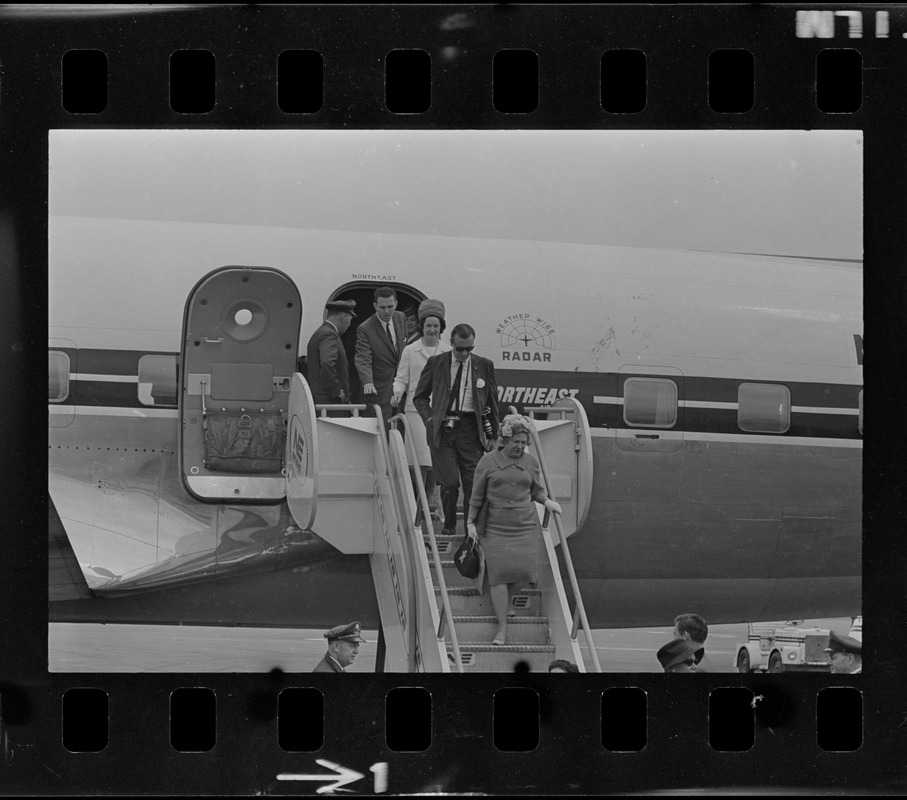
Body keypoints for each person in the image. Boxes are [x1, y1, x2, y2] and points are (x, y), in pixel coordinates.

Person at [465, 414, 562, 645]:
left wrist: (547, 501)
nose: (520, 446)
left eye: (523, 442)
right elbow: (476, 496)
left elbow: (537, 490)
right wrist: (470, 523)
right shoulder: (487, 461)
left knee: (527, 573)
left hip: (524, 524)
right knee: (498, 577)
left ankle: (507, 604)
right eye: (516, 441)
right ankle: (502, 629)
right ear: (505, 439)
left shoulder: (530, 463)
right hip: (495, 526)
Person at [414, 323, 500, 538]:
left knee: (473, 482)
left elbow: (492, 401)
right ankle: (449, 523)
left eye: (468, 349)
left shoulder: (484, 365)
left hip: (471, 428)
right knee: (450, 481)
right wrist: (430, 419)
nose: (464, 354)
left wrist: (493, 435)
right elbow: (419, 396)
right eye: (460, 349)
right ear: (451, 343)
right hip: (443, 429)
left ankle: (473, 526)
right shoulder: (436, 363)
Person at [391, 299, 451, 518]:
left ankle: (431, 504)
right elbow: (401, 378)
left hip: (441, 412)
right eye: (428, 325)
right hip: (416, 412)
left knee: (438, 460)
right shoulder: (410, 350)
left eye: (436, 326)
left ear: (441, 328)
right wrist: (397, 392)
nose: (432, 330)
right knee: (420, 462)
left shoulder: (448, 351)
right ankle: (419, 506)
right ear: (422, 327)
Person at [355, 286, 407, 424]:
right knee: (382, 426)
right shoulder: (365, 329)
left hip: (401, 386)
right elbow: (363, 358)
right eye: (382, 307)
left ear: (396, 303)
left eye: (390, 306)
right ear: (375, 306)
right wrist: (368, 382)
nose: (387, 311)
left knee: (402, 426)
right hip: (380, 387)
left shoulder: (401, 317)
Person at [305, 300, 357, 405]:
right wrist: (336, 391)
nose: (349, 325)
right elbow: (327, 363)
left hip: (322, 399)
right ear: (344, 318)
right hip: (329, 401)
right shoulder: (329, 335)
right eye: (350, 320)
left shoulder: (322, 332)